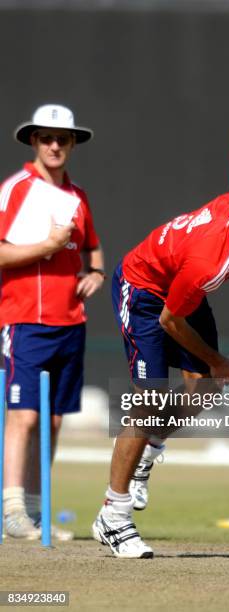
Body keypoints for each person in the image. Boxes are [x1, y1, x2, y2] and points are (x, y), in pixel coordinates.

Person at [93, 50, 229, 558]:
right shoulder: (214, 261)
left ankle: (149, 452)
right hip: (145, 291)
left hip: (181, 290)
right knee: (148, 402)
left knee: (201, 389)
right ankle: (112, 516)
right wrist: (219, 359)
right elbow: (170, 319)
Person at [0, 104, 105, 540]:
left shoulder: (78, 196)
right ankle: (11, 511)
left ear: (73, 143)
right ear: (33, 142)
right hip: (25, 319)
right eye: (47, 137)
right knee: (22, 417)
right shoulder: (17, 189)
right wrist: (45, 245)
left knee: (53, 422)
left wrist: (96, 274)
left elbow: (92, 249)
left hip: (69, 323)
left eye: (63, 138)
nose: (55, 145)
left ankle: (37, 511)